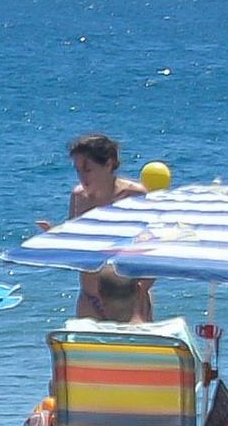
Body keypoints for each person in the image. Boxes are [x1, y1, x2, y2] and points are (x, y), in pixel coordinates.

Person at [38, 133, 153, 319]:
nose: (82, 177)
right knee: (87, 346)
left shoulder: (133, 195)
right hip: (90, 296)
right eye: (77, 171)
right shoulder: (78, 197)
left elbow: (153, 246)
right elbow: (76, 247)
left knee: (133, 347)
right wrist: (54, 237)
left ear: (108, 164)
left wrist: (142, 289)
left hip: (129, 297)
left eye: (87, 169)